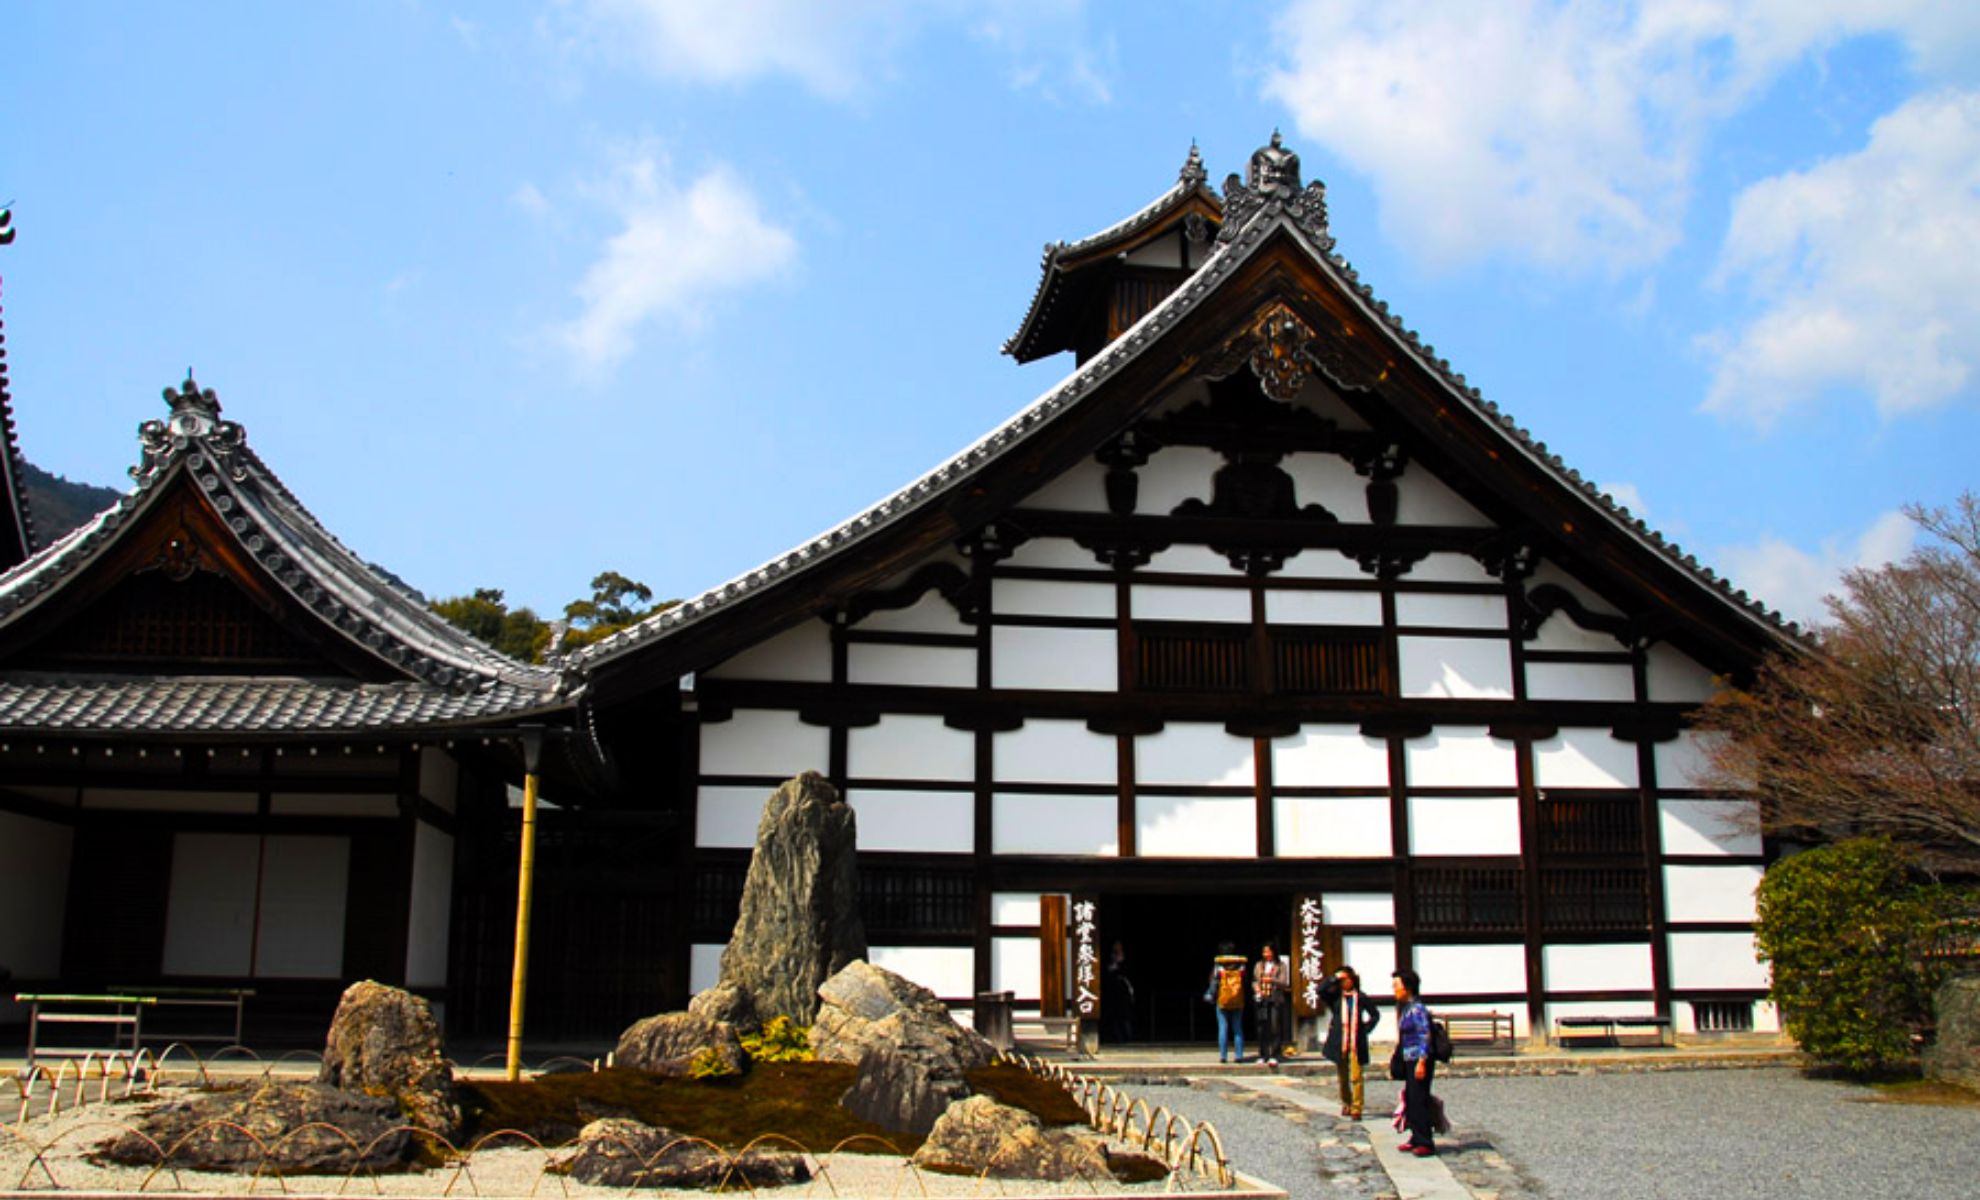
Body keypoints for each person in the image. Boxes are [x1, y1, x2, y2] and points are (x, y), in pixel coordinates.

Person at [1319, 965, 1381, 1119]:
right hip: (1340, 1041)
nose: (1346, 982)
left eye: (1348, 979)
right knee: (1343, 1076)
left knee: (1356, 1076)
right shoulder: (1336, 998)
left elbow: (1375, 1014)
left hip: (1356, 1041)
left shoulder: (1361, 997)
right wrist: (1334, 977)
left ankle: (1357, 1107)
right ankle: (1346, 1102)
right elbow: (1320, 990)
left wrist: (1365, 1029)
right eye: (1343, 980)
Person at [1391, 968, 1437, 1156]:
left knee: (1419, 1098)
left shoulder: (1418, 1009)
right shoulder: (1407, 1008)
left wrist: (1422, 1061)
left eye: (1397, 986)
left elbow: (1425, 1035)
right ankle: (1416, 1136)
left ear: (1407, 988)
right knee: (1410, 1098)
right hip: (1409, 1057)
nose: (1394, 990)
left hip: (1419, 1058)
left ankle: (1425, 1140)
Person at [1206, 943, 1248, 1063]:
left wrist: (1211, 994)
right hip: (1238, 999)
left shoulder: (1219, 966)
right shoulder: (1241, 966)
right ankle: (1238, 1055)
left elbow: (1213, 982)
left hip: (1222, 999)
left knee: (1223, 1027)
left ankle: (1223, 1056)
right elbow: (1245, 981)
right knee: (1238, 1028)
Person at [1252, 942, 1290, 1067]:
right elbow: (1254, 980)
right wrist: (1256, 988)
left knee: (1275, 1026)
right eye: (1264, 952)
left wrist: (1272, 980)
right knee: (1262, 1027)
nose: (1266, 954)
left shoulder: (1281, 965)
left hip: (1275, 998)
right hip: (1262, 998)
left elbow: (1284, 982)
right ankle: (1263, 1054)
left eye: (1268, 951)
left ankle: (1275, 1054)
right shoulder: (1259, 965)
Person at [1102, 940, 1136, 1043]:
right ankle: (1119, 1039)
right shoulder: (1110, 962)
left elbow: (1127, 979)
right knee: (1115, 1019)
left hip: (1124, 994)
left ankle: (1129, 1039)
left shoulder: (1124, 963)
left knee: (1125, 1018)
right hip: (1113, 994)